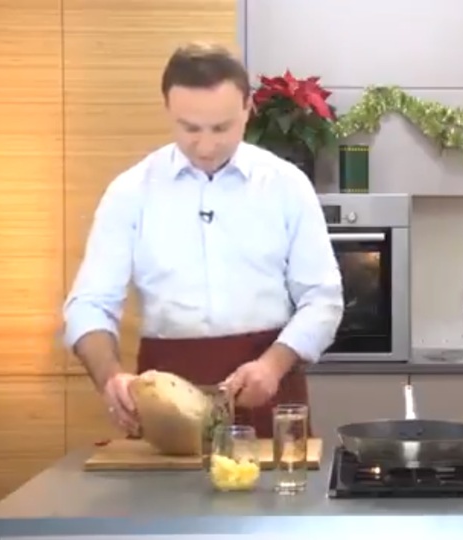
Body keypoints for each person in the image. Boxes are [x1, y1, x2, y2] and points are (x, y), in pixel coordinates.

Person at [62, 42, 344, 438]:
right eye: (190, 129)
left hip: (267, 394)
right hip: (165, 402)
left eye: (221, 128)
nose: (206, 146)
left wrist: (273, 365)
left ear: (247, 108)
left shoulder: (286, 186)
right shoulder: (130, 192)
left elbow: (322, 299)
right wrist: (110, 377)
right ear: (168, 110)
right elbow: (89, 305)